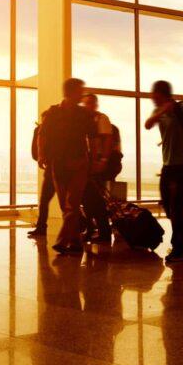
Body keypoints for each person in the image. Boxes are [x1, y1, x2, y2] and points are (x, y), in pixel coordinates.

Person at [37, 77, 96, 255]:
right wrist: (41, 155)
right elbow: (43, 135)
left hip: (79, 163)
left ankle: (62, 242)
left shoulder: (84, 114)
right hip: (58, 164)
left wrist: (92, 160)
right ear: (71, 92)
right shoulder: (53, 113)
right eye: (80, 90)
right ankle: (76, 242)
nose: (82, 94)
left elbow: (92, 138)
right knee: (66, 206)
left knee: (72, 204)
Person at [144, 80, 183, 262]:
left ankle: (178, 246)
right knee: (167, 206)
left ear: (163, 93)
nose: (152, 98)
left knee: (176, 207)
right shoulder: (159, 111)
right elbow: (147, 124)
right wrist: (162, 110)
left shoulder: (182, 108)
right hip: (168, 164)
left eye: (155, 94)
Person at [80, 93, 117, 243]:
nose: (87, 106)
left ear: (95, 104)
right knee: (88, 198)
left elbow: (107, 140)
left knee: (96, 198)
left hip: (97, 163)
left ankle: (103, 230)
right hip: (89, 163)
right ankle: (93, 228)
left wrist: (103, 161)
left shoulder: (101, 119)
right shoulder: (85, 120)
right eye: (85, 103)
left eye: (89, 103)